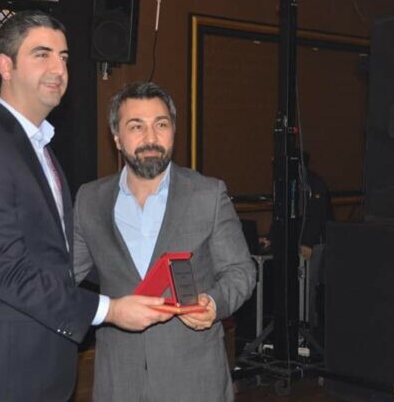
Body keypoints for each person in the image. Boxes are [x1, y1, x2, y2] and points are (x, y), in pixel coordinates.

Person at [0, 12, 171, 401]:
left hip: (43, 371)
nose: (58, 69)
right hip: (0, 377)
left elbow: (56, 258)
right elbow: (8, 271)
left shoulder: (38, 146)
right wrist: (111, 310)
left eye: (63, 57)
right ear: (5, 66)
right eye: (42, 55)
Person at [72, 82, 256, 402]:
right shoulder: (90, 200)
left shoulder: (208, 194)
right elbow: (62, 277)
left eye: (161, 124)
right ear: (117, 138)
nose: (151, 138)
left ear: (173, 131)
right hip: (118, 382)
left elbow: (241, 271)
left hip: (194, 381)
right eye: (136, 126)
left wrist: (214, 303)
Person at [261, 151, 334, 342]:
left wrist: (308, 242)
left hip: (315, 243)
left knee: (308, 286)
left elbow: (318, 215)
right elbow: (280, 212)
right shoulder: (286, 183)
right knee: (294, 286)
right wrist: (271, 237)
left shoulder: (314, 183)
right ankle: (294, 327)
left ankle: (309, 330)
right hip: (296, 241)